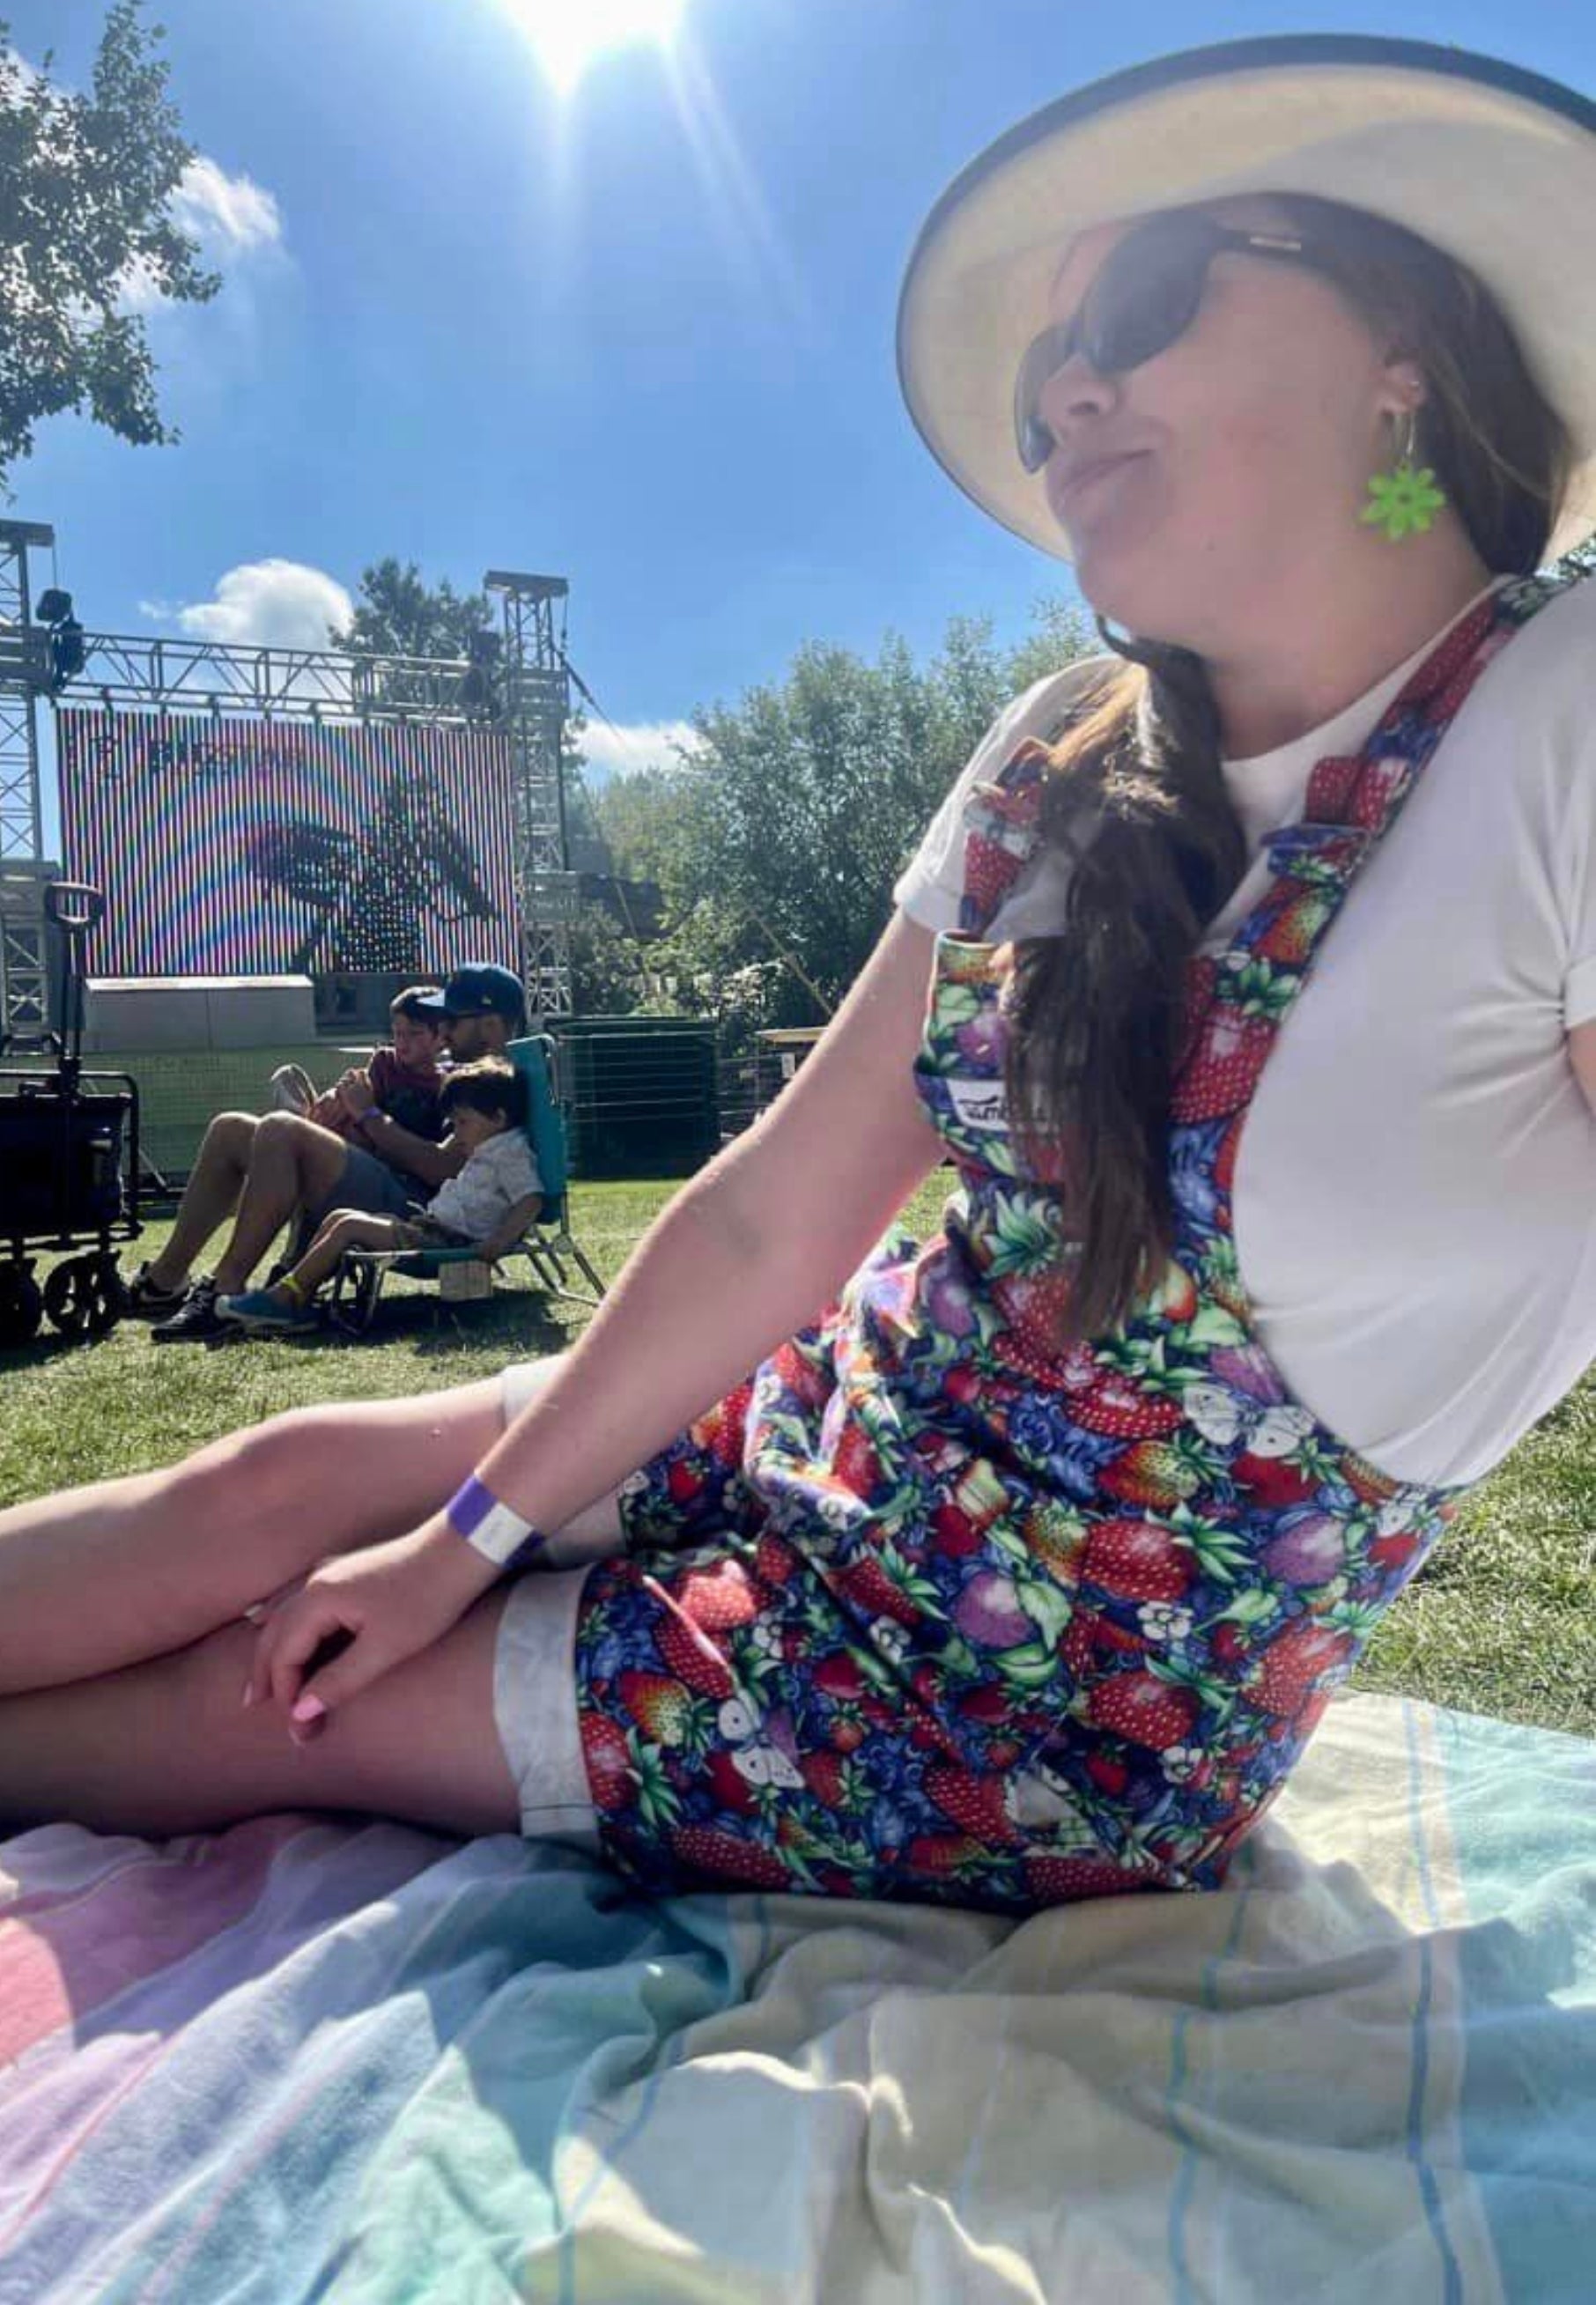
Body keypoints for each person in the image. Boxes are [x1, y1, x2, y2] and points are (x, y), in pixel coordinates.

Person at [3, 38, 1594, 1908]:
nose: (1068, 396)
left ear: (1399, 340)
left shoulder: (1558, 712)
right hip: (819, 1417)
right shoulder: (1063, 754)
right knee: (268, 1492)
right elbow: (777, 1222)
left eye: (1146, 307)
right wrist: (464, 1535)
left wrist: (456, 1576)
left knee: (250, 1708)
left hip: (1025, 1717)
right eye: (1034, 398)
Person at [127, 963, 524, 1343]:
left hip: (424, 1213)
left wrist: (367, 1114)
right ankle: (165, 1280)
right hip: (392, 1182)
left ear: (489, 1027)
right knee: (231, 1128)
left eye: (452, 1021)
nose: (444, 1032)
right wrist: (344, 1109)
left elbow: (442, 1169)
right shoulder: (463, 1072)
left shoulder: (494, 1086)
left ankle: (223, 1288)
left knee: (281, 1129)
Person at [215, 1059, 543, 1334]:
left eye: (462, 1122)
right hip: (433, 1229)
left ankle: (283, 1300)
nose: (456, 1132)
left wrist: (498, 1244)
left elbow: (530, 1199)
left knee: (348, 1226)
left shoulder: (510, 1153)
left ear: (498, 1118)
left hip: (452, 1242)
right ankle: (298, 1295)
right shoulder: (488, 1146)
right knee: (340, 1217)